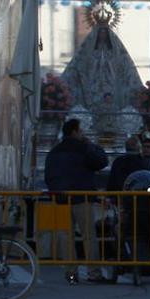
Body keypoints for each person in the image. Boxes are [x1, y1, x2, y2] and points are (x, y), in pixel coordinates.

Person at [43, 118, 110, 284]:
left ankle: (71, 273)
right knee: (88, 236)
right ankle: (93, 272)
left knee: (67, 236)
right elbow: (101, 161)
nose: (83, 134)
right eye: (81, 131)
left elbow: (48, 175)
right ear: (74, 131)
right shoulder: (83, 148)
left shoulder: (54, 151)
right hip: (82, 197)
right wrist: (92, 145)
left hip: (61, 197)